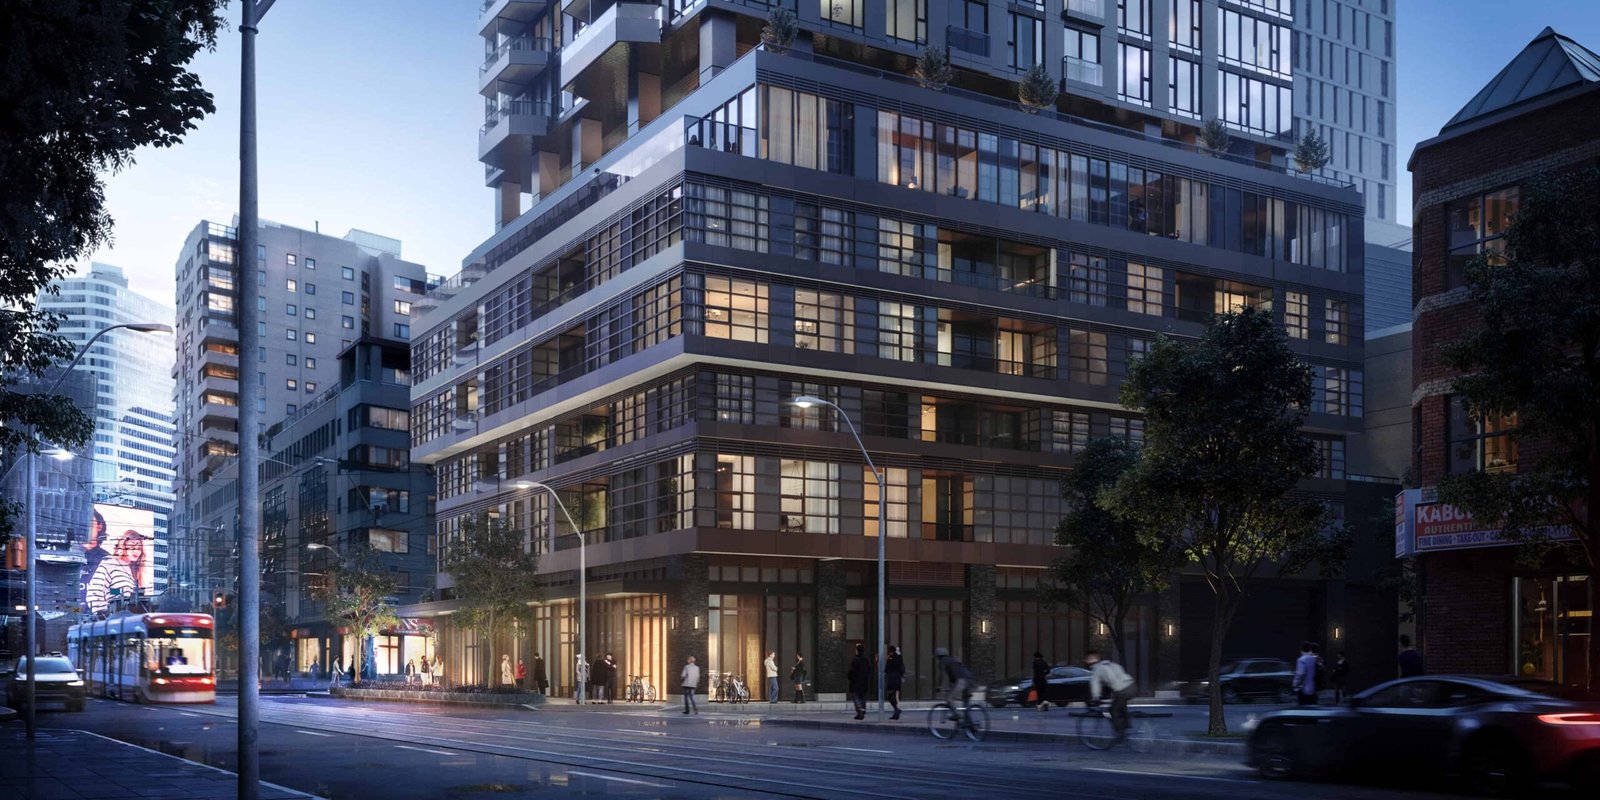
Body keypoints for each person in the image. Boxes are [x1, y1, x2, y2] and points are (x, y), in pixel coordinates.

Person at [1084, 650, 1135, 739]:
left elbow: (1095, 683)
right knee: (1121, 707)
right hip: (1132, 685)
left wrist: (1096, 697)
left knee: (1113, 710)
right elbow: (1119, 673)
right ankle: (1127, 726)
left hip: (1122, 689)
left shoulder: (1097, 669)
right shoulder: (1110, 664)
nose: (1086, 661)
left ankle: (1120, 733)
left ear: (1091, 659)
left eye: (1087, 659)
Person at [934, 647, 974, 725]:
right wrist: (951, 687)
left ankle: (957, 715)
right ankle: (970, 724)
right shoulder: (954, 660)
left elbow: (941, 675)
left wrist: (939, 686)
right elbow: (954, 676)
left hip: (961, 681)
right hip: (970, 680)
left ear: (938, 656)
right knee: (966, 703)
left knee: (949, 698)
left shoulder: (942, 661)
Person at [847, 643, 871, 720]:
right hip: (864, 682)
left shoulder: (855, 660)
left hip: (856, 682)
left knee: (856, 697)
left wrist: (850, 677)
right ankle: (862, 710)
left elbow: (851, 671)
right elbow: (869, 670)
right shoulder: (866, 660)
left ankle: (859, 710)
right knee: (863, 697)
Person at [884, 645, 905, 720]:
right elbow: (902, 667)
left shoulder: (890, 658)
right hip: (898, 677)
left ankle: (896, 710)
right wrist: (901, 676)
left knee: (890, 696)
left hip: (892, 678)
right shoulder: (899, 657)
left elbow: (886, 669)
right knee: (895, 695)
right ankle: (896, 711)